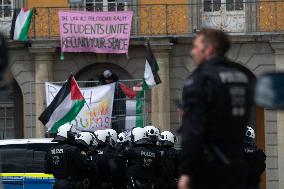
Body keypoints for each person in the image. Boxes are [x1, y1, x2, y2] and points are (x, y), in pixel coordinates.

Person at [178, 28, 253, 189]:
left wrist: (186, 172)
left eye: (196, 47)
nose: (193, 52)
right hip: (238, 163)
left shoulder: (201, 79)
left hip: (209, 169)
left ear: (209, 50)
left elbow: (193, 131)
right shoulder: (241, 78)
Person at [44, 124, 90, 189]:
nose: (73, 135)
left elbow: (47, 170)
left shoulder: (50, 150)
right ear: (66, 134)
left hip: (57, 184)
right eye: (71, 134)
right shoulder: (72, 149)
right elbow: (84, 166)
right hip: (71, 184)